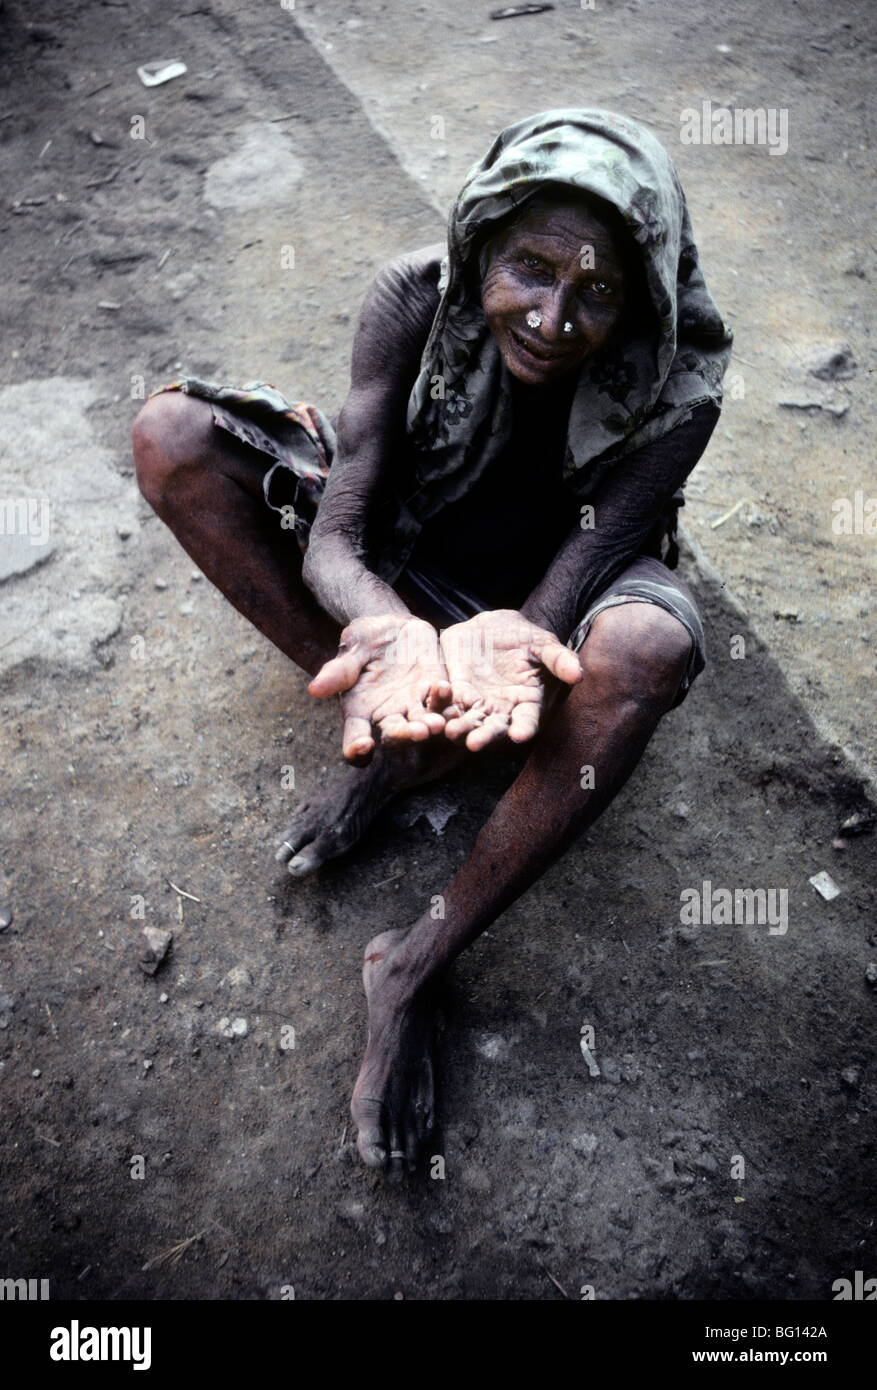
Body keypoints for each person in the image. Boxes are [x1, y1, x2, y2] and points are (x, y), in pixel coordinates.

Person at [132, 109, 732, 1175]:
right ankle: (399, 739)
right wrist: (393, 633)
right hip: (409, 550)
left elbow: (578, 579)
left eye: (595, 291)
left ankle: (409, 969)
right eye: (530, 270)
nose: (551, 319)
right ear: (479, 244)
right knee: (174, 437)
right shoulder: (414, 296)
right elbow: (338, 537)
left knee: (643, 648)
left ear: (637, 290)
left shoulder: (679, 384)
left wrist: (513, 639)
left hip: (552, 588)